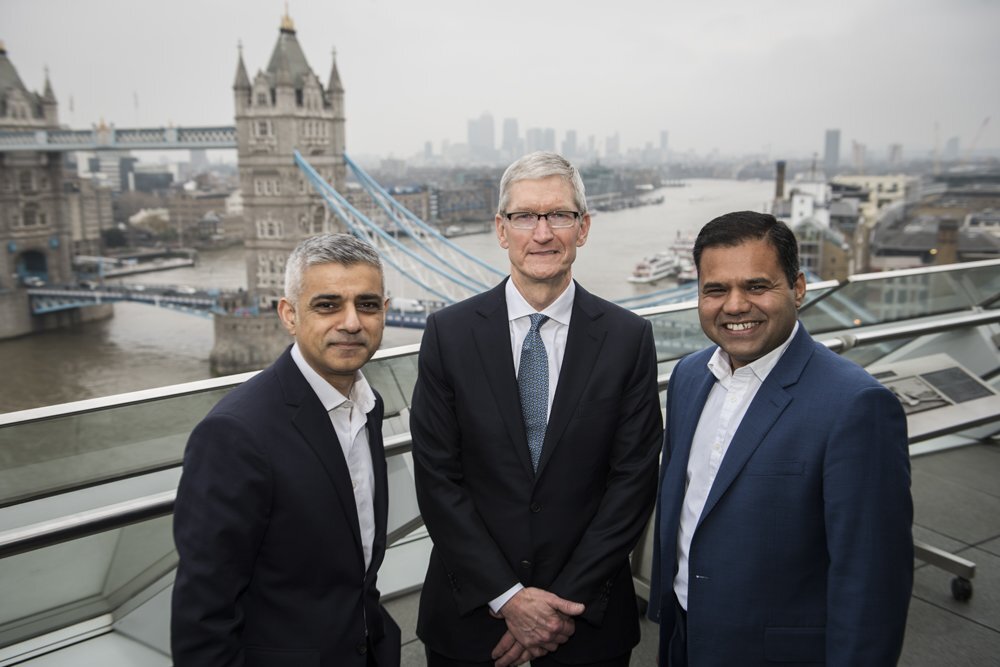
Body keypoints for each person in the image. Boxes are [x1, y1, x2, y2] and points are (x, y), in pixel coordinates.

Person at [411, 151, 663, 667]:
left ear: (584, 228)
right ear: (501, 231)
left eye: (560, 216)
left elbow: (632, 481)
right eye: (525, 216)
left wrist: (558, 608)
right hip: (470, 618)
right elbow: (438, 478)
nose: (542, 233)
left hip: (586, 620)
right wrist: (508, 597)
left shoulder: (628, 338)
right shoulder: (447, 334)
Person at [649, 211, 913, 666]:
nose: (734, 306)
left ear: (798, 287)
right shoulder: (689, 376)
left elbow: (872, 582)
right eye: (715, 289)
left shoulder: (856, 406)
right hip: (686, 636)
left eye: (756, 286)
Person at [171, 233, 401, 667]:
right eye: (327, 305)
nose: (351, 322)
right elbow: (203, 612)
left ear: (384, 313)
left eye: (367, 305)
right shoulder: (234, 433)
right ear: (289, 315)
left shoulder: (369, 406)